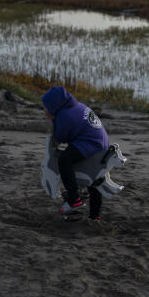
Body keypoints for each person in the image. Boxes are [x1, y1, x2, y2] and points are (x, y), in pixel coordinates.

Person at [41, 86, 110, 220]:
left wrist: (54, 121)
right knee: (94, 177)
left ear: (55, 106)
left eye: (46, 107)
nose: (45, 110)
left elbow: (61, 138)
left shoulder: (64, 115)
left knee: (64, 160)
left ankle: (74, 199)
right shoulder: (76, 106)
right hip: (102, 143)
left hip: (91, 143)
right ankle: (95, 216)